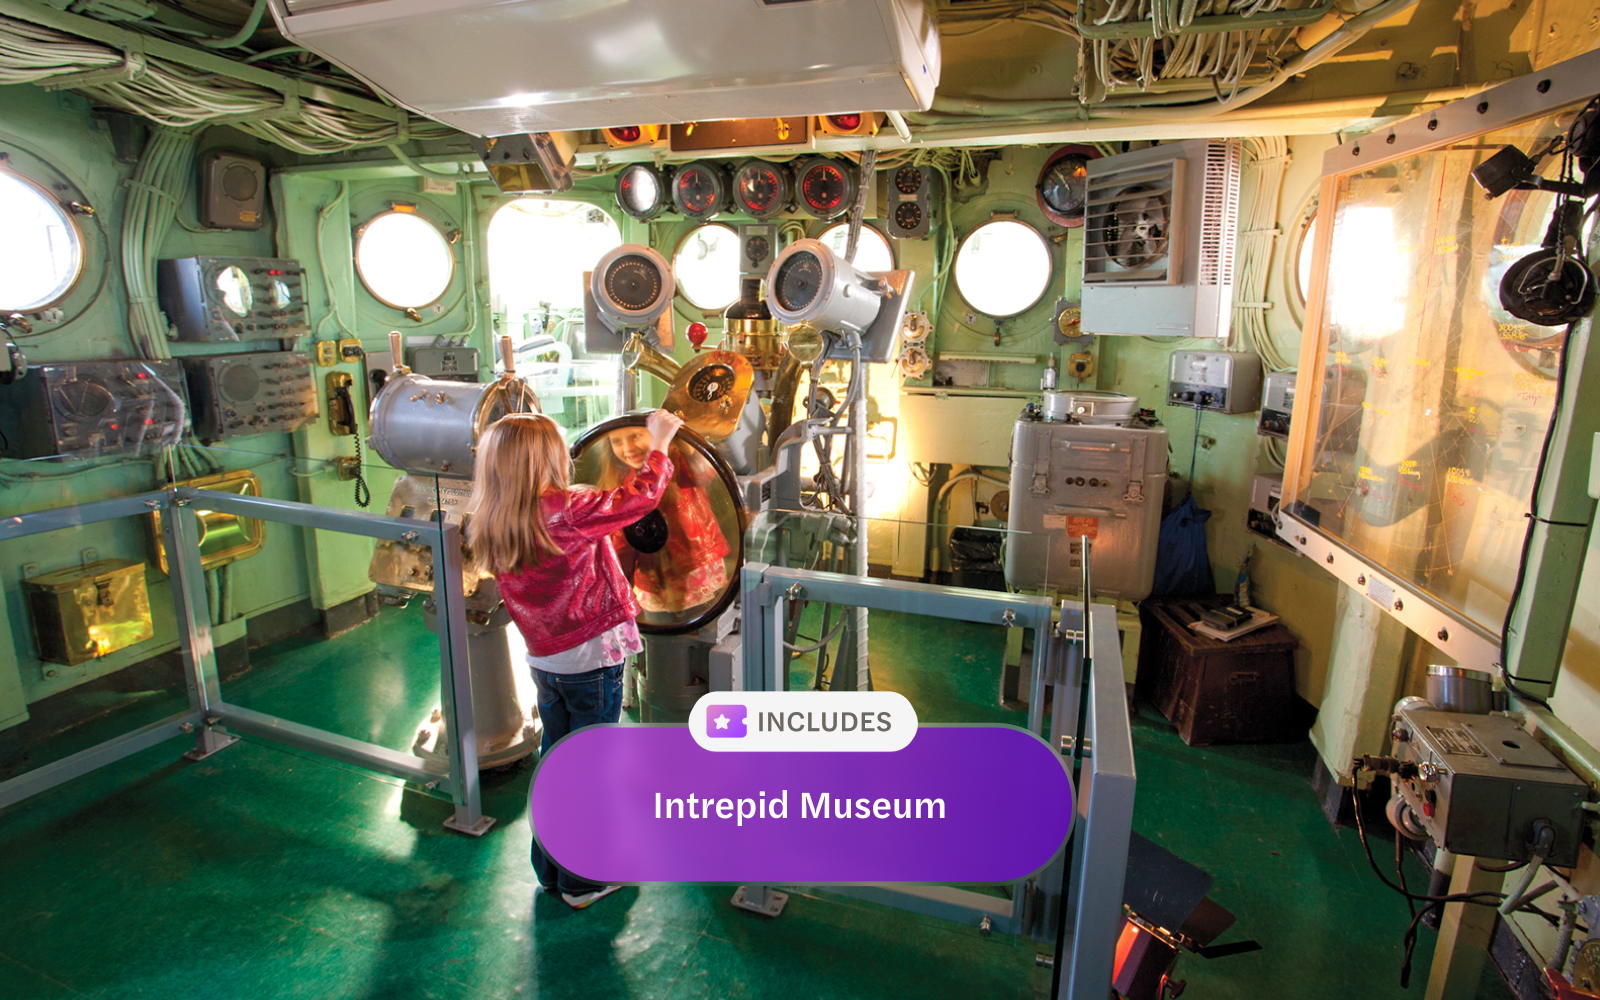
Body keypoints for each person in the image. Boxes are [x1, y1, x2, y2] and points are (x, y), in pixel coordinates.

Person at [466, 408, 682, 909]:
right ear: (547, 459)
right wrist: (661, 443)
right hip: (591, 658)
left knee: (558, 763)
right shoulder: (565, 510)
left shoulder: (494, 513)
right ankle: (585, 880)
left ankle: (551, 870)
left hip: (546, 661)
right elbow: (640, 498)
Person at [595, 424, 731, 619]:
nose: (628, 448)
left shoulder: (673, 458)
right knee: (663, 642)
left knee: (706, 630)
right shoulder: (619, 480)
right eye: (616, 441)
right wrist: (616, 588)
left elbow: (704, 473)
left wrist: (687, 447)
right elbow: (622, 540)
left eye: (635, 436)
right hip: (653, 583)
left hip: (696, 571)